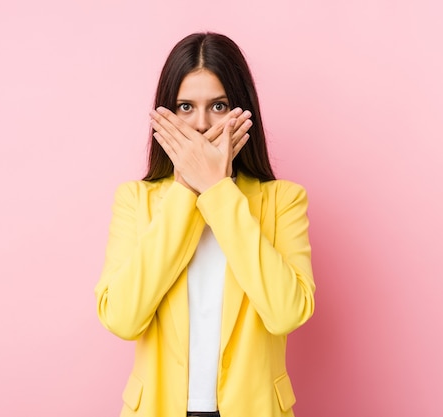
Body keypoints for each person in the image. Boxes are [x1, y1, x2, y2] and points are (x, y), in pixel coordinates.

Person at [95, 32, 315, 417]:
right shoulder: (135, 200)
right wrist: (184, 191)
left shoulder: (284, 200)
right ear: (165, 114)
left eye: (218, 105)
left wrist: (217, 190)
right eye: (184, 106)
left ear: (242, 112)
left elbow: (286, 313)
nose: (200, 124)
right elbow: (123, 318)